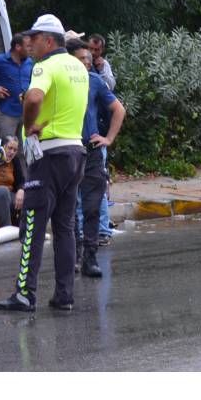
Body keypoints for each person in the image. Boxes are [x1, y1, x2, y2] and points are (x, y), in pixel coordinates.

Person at [0, 14, 89, 313]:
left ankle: (24, 294)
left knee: (32, 225)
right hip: (75, 151)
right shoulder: (78, 66)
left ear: (48, 40)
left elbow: (35, 98)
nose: (29, 44)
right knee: (64, 227)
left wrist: (28, 124)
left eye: (34, 39)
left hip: (48, 154)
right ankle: (64, 296)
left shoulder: (44, 66)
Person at [68, 38, 125, 278]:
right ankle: (74, 255)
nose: (87, 63)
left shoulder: (95, 81)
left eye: (89, 59)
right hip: (67, 151)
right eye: (82, 59)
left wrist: (108, 138)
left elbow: (119, 109)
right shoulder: (59, 80)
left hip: (90, 152)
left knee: (92, 207)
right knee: (70, 208)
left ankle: (90, 257)